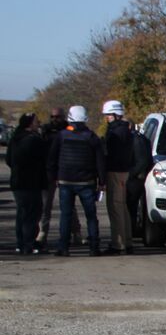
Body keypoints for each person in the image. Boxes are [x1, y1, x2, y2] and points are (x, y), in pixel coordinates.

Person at [46, 105, 106, 256]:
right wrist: (102, 182)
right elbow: (100, 161)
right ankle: (94, 247)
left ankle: (63, 248)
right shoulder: (92, 137)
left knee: (65, 215)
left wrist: (53, 177)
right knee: (91, 216)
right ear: (85, 118)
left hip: (65, 181)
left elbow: (52, 158)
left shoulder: (62, 135)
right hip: (87, 182)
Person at [6, 113, 47, 254]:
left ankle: (21, 242)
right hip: (31, 183)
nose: (39, 123)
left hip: (17, 182)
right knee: (32, 213)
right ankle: (28, 243)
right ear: (30, 124)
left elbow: (8, 160)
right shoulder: (34, 140)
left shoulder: (15, 138)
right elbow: (44, 159)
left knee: (21, 213)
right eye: (36, 121)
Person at [37, 106, 74, 251]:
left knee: (69, 206)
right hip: (49, 171)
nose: (54, 120)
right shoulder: (45, 131)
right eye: (52, 117)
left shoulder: (68, 130)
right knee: (46, 205)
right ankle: (42, 233)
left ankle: (75, 232)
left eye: (57, 117)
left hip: (66, 170)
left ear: (63, 117)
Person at [101, 99, 135, 253]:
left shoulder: (116, 132)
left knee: (115, 208)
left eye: (108, 115)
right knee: (122, 207)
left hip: (115, 172)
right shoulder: (125, 130)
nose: (106, 118)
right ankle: (127, 241)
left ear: (115, 115)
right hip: (124, 171)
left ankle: (118, 243)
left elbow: (111, 153)